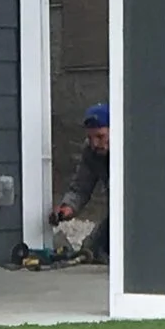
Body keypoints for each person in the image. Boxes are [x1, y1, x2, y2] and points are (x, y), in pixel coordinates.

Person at [54, 104, 111, 263]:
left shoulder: (132, 149)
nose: (95, 144)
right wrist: (67, 208)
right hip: (116, 212)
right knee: (89, 250)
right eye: (90, 138)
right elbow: (81, 187)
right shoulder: (91, 153)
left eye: (100, 137)